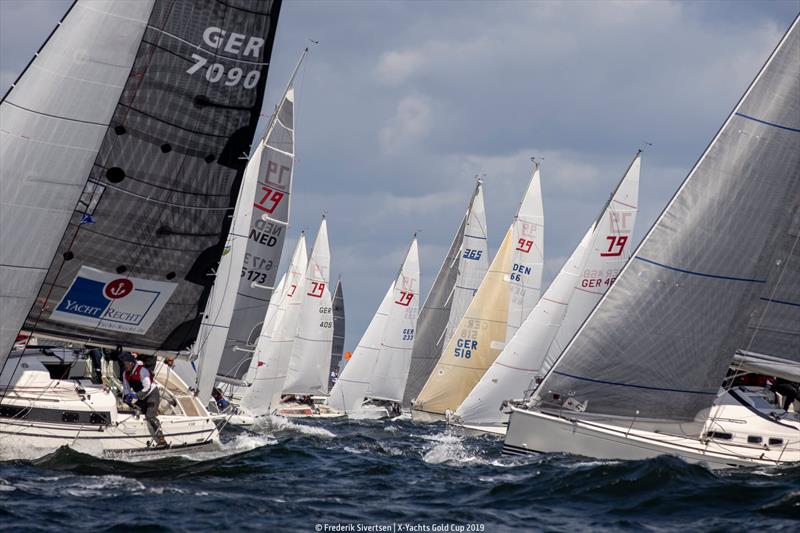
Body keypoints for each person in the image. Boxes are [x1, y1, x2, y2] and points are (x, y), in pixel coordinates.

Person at [121, 352, 167, 447]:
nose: (124, 366)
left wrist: (135, 395)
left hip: (151, 394)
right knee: (133, 410)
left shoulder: (142, 371)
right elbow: (126, 388)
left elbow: (147, 388)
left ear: (131, 363)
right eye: (124, 364)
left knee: (150, 416)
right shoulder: (125, 374)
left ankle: (161, 439)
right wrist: (127, 397)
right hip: (142, 397)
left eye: (126, 364)